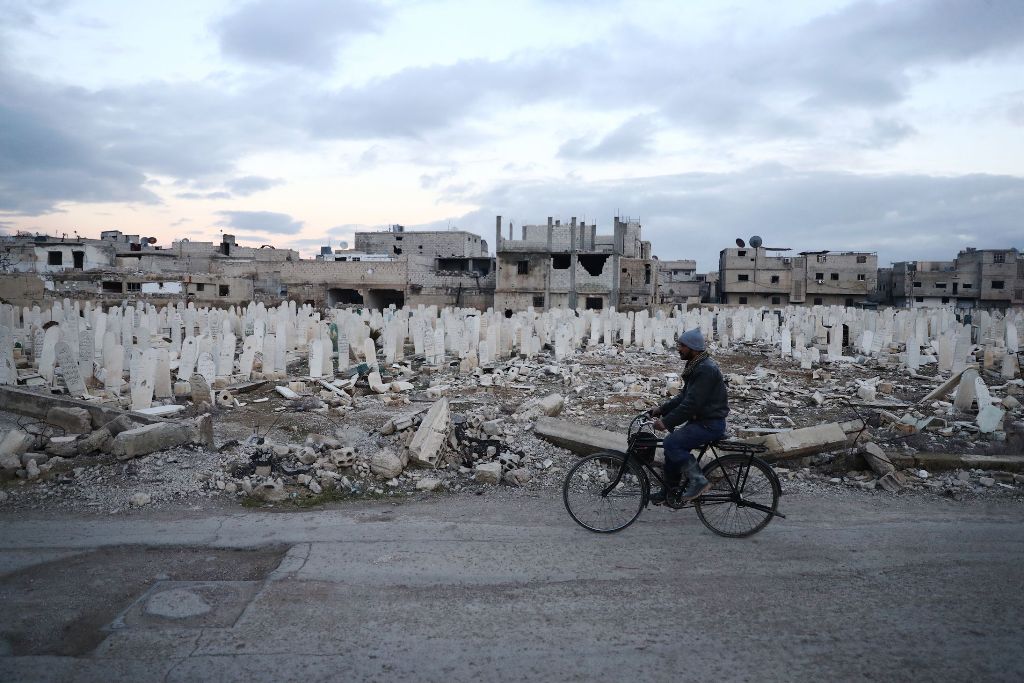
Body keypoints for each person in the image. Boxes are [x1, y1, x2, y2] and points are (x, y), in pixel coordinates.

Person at [649, 328, 729, 504]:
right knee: (671, 450)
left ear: (693, 348)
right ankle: (669, 491)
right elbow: (685, 396)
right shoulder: (697, 365)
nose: (679, 349)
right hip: (701, 422)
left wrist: (666, 422)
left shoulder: (705, 369)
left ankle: (699, 481)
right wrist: (662, 409)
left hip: (710, 424)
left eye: (682, 346)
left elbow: (691, 405)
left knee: (671, 443)